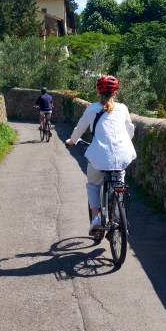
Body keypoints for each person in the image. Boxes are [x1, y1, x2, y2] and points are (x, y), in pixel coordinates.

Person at [65, 75, 136, 235]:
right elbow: (129, 130)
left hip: (100, 157)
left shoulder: (91, 109)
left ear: (98, 93)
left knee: (93, 185)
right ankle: (118, 212)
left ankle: (96, 218)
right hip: (122, 154)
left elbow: (79, 129)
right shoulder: (123, 108)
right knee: (119, 182)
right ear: (115, 93)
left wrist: (71, 141)